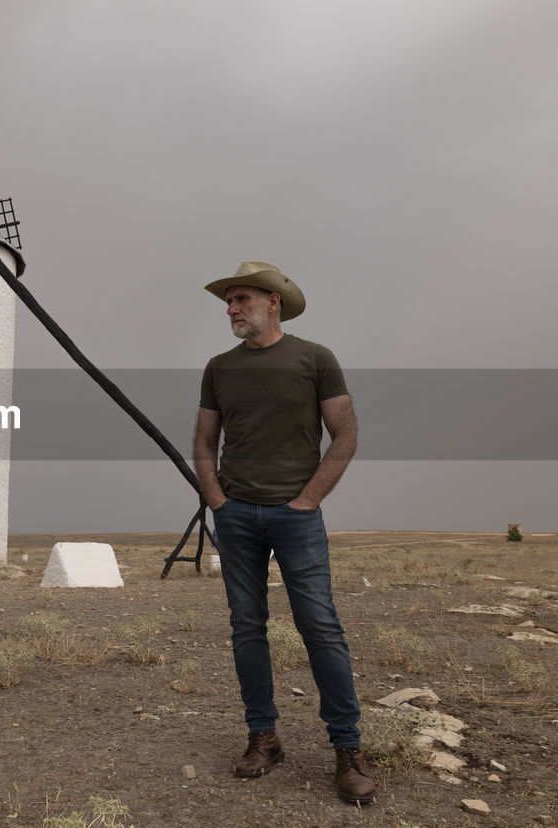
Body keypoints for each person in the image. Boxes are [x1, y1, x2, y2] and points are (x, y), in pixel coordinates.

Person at [192, 260, 374, 804]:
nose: (231, 308)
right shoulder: (218, 368)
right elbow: (204, 442)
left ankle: (347, 750)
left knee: (319, 626)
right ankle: (263, 738)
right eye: (228, 301)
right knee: (247, 627)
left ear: (273, 301)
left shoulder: (315, 359)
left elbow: (345, 434)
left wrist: (308, 500)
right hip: (237, 515)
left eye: (241, 298)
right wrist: (218, 500)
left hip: (297, 517)